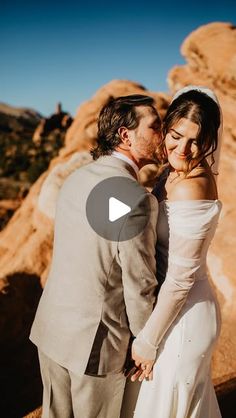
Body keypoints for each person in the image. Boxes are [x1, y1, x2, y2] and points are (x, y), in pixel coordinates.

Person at [29, 94, 163, 418]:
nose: (162, 133)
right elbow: (139, 284)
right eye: (155, 125)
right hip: (94, 345)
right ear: (125, 135)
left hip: (51, 330)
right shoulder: (134, 198)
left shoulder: (76, 178)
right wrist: (147, 345)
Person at [124, 86, 223, 418]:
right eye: (176, 136)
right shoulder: (171, 172)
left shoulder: (194, 186)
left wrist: (147, 342)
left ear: (209, 140)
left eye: (195, 140)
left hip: (184, 318)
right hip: (171, 308)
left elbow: (181, 279)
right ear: (166, 130)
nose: (183, 148)